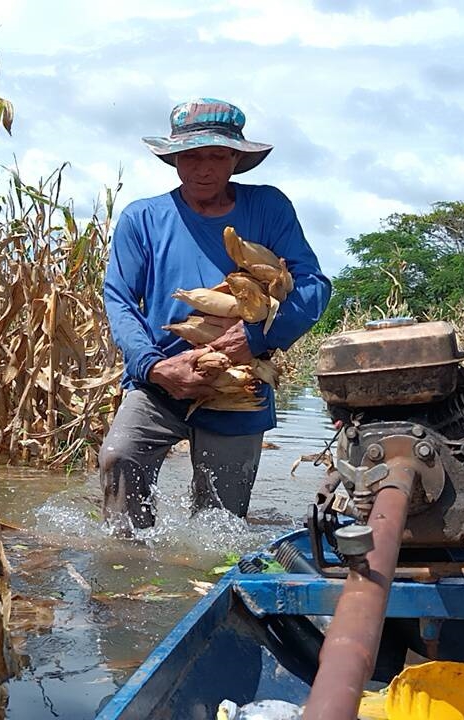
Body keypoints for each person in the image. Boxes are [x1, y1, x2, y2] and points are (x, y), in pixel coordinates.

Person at [99, 98, 332, 534]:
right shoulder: (143, 218)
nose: (203, 168)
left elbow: (314, 287)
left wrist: (257, 339)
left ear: (235, 159)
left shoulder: (268, 208)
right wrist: (155, 367)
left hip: (240, 382)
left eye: (216, 156)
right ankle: (126, 575)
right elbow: (120, 300)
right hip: (162, 380)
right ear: (174, 160)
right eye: (191, 156)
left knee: (218, 526)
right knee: (120, 456)